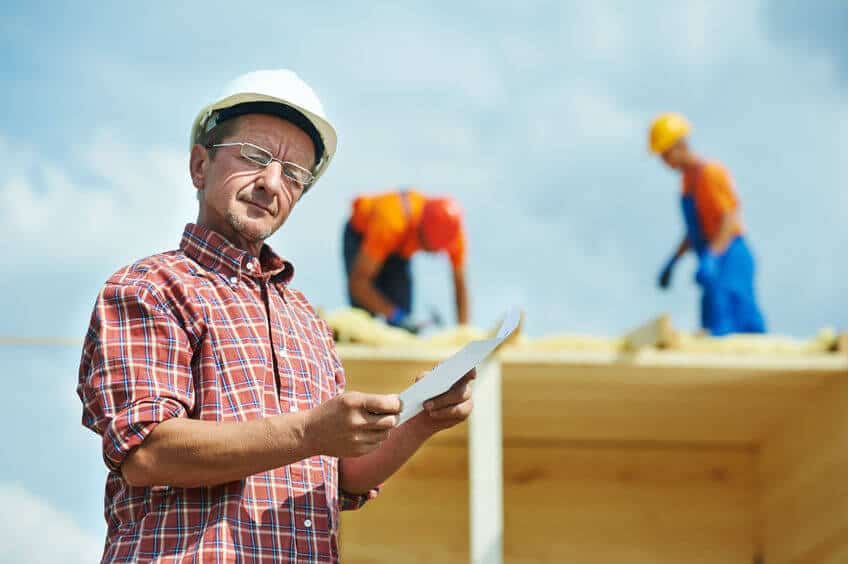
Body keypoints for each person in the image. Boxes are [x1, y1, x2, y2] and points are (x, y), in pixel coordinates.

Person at [77, 69, 475, 563]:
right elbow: (148, 453)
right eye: (255, 156)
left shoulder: (305, 319)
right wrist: (309, 432)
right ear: (200, 165)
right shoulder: (150, 289)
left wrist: (421, 419)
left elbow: (342, 477)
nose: (271, 183)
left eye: (293, 174)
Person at [650, 112, 766, 336]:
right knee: (713, 324)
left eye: (665, 154)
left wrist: (712, 256)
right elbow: (694, 232)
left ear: (679, 146)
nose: (664, 162)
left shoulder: (710, 173)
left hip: (731, 256)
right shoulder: (687, 183)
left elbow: (729, 218)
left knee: (738, 321)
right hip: (713, 259)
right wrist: (673, 261)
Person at [343, 189, 469, 332]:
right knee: (364, 320)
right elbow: (358, 284)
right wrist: (396, 316)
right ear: (420, 232)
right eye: (427, 248)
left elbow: (460, 285)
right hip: (363, 237)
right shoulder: (390, 224)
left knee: (404, 330)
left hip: (399, 249)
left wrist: (462, 334)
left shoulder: (453, 235)